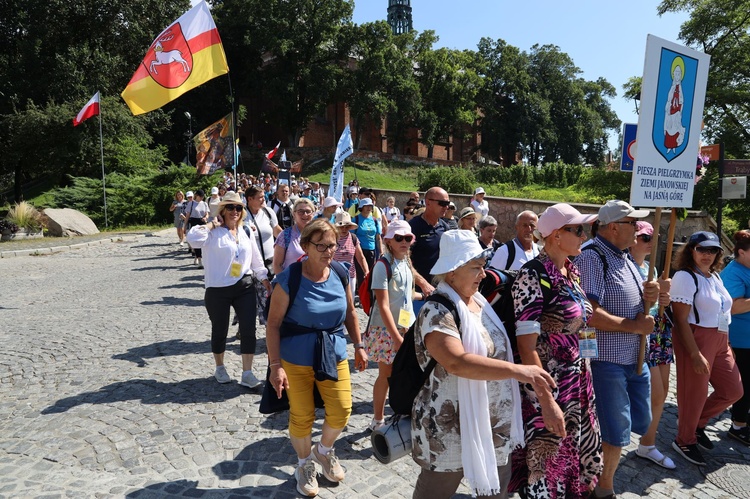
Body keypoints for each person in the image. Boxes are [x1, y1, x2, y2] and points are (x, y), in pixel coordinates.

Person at [411, 230, 556, 499]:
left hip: (494, 423)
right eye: (475, 268)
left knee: (495, 493)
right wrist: (520, 371)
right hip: (448, 427)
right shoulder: (437, 310)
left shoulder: (480, 302)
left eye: (483, 266)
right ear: (452, 272)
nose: (483, 274)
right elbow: (457, 362)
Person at [265, 219, 368, 497]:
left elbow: (349, 312)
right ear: (305, 245)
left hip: (333, 354)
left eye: (331, 245)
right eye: (320, 245)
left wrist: (358, 345)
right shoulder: (289, 279)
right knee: (302, 416)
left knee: (342, 409)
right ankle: (304, 464)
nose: (327, 250)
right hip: (295, 359)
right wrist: (276, 367)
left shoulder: (340, 272)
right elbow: (273, 324)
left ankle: (323, 451)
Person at [509, 203, 602, 498]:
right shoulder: (533, 275)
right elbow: (526, 345)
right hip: (549, 388)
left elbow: (582, 322)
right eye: (577, 229)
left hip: (578, 386)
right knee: (548, 470)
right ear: (555, 236)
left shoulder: (571, 272)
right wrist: (546, 401)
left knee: (575, 464)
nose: (583, 235)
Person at [574, 200, 660, 499]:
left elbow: (639, 305)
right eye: (632, 223)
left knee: (640, 421)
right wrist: (634, 327)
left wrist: (651, 294)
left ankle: (594, 471)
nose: (638, 229)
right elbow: (589, 314)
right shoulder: (593, 258)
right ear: (613, 227)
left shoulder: (624, 257)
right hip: (605, 360)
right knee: (616, 430)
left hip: (633, 358)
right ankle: (603, 488)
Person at [670, 231, 743, 465]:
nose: (707, 255)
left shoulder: (714, 276)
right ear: (691, 250)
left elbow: (722, 309)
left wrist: (725, 341)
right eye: (701, 249)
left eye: (712, 250)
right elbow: (680, 320)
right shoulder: (685, 276)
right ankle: (684, 439)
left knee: (733, 391)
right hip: (696, 337)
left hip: (720, 338)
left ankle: (696, 424)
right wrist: (694, 353)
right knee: (694, 393)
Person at [186, 192, 271, 388]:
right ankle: (220, 366)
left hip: (245, 286)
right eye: (230, 207)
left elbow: (256, 258)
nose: (235, 211)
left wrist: (264, 278)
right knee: (220, 329)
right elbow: (193, 238)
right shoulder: (212, 232)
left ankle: (247, 373)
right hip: (218, 289)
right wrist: (212, 224)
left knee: (249, 329)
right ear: (222, 210)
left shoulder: (246, 231)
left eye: (239, 208)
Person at [629, 221, 676, 469]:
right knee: (655, 392)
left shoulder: (651, 267)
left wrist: (663, 296)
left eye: (653, 238)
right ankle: (643, 442)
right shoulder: (626, 266)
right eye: (646, 238)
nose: (650, 243)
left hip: (658, 331)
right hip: (640, 333)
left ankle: (648, 444)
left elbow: (658, 305)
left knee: (663, 391)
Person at [364, 220, 419, 431]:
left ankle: (403, 412)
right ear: (389, 240)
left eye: (408, 238)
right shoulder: (382, 265)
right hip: (386, 330)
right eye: (399, 238)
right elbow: (384, 305)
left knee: (406, 373)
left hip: (405, 326)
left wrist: (426, 294)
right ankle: (377, 419)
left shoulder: (405, 261)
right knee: (386, 375)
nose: (404, 242)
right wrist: (396, 337)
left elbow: (405, 295)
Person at [720, 229, 750, 446]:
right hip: (742, 339)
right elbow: (735, 306)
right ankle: (738, 426)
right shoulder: (733, 273)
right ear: (742, 252)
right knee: (745, 385)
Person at [408, 187, 452, 315]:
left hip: (439, 293)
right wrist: (423, 284)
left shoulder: (445, 228)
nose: (446, 207)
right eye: (442, 203)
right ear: (428, 202)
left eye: (447, 204)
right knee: (413, 332)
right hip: (416, 292)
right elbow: (404, 259)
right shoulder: (413, 227)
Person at [245, 186, 280, 278]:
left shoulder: (268, 212)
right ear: (250, 199)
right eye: (260, 197)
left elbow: (277, 231)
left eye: (264, 196)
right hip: (251, 266)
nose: (264, 199)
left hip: (270, 263)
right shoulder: (242, 215)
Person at [273, 198, 315, 275]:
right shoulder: (285, 235)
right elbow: (277, 265)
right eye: (301, 212)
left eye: (308, 211)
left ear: (313, 214)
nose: (305, 214)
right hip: (291, 282)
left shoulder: (318, 234)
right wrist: (285, 284)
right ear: (294, 214)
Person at [332, 211, 369, 296]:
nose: (344, 229)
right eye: (341, 226)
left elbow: (361, 257)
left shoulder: (353, 238)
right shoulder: (331, 238)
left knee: (349, 302)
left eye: (347, 226)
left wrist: (366, 272)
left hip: (350, 276)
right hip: (334, 276)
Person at [184, 189, 210, 267]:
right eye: (200, 196)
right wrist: (185, 225)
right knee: (196, 240)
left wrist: (206, 218)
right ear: (197, 196)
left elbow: (207, 214)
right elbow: (188, 215)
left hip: (202, 222)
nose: (201, 198)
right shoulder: (191, 203)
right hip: (194, 222)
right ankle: (199, 260)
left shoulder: (204, 204)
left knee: (203, 241)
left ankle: (198, 256)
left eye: (202, 196)